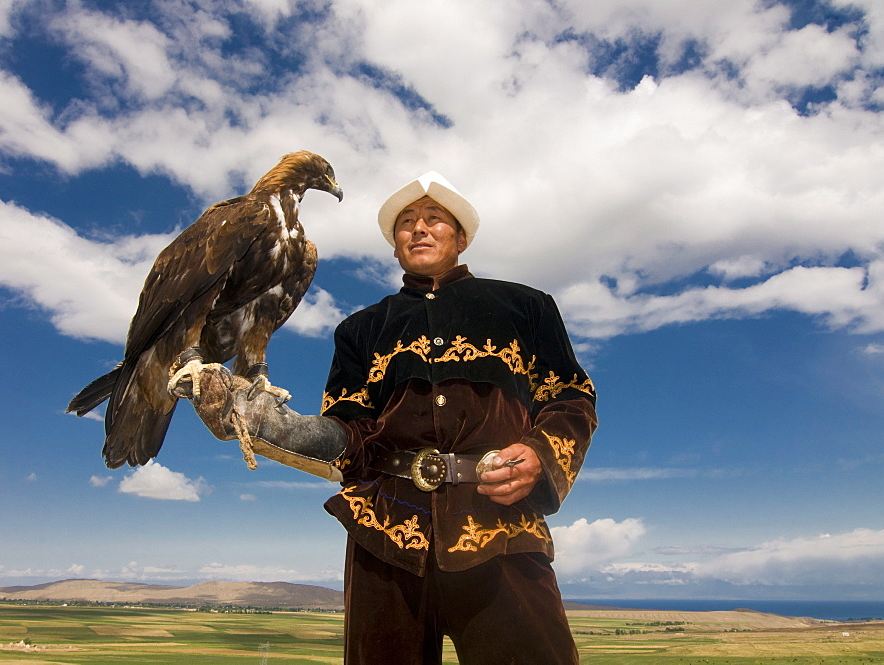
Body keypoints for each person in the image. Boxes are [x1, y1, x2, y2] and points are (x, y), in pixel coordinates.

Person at [174, 171, 598, 664]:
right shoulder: (359, 330)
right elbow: (348, 434)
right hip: (384, 537)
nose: (419, 228)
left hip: (500, 526)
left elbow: (571, 396)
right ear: (395, 246)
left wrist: (541, 455)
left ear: (460, 237)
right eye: (406, 223)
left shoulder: (526, 308)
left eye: (434, 219)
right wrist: (273, 425)